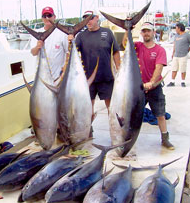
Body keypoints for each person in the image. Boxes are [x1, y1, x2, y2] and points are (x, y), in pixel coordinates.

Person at [123, 21, 174, 150]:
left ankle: (165, 138)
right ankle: (127, 138)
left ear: (153, 32)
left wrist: (151, 82)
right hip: (138, 89)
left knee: (160, 114)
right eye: (144, 31)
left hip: (154, 87)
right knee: (131, 115)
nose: (146, 33)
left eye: (148, 31)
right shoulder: (138, 46)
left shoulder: (159, 50)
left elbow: (159, 68)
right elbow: (125, 44)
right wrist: (127, 29)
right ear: (141, 33)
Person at [75, 10, 120, 121]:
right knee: (88, 108)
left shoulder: (107, 32)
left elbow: (115, 51)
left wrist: (119, 69)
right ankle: (88, 130)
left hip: (106, 76)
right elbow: (73, 53)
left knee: (111, 107)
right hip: (88, 79)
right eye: (85, 19)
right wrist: (70, 41)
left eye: (90, 18)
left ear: (97, 18)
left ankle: (114, 130)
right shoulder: (81, 36)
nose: (88, 21)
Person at [31, 6, 69, 82]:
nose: (47, 18)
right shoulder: (37, 33)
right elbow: (33, 53)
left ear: (54, 17)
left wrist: (65, 68)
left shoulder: (62, 33)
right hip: (42, 78)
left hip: (58, 77)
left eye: (49, 15)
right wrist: (38, 47)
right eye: (44, 16)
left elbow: (68, 52)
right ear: (42, 18)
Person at [167, 22, 190, 87]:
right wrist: (173, 53)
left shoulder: (187, 35)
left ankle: (183, 82)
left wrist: (187, 50)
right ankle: (172, 81)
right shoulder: (176, 35)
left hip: (183, 55)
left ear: (179, 28)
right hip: (176, 55)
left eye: (176, 28)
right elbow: (175, 44)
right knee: (174, 68)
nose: (175, 29)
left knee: (183, 69)